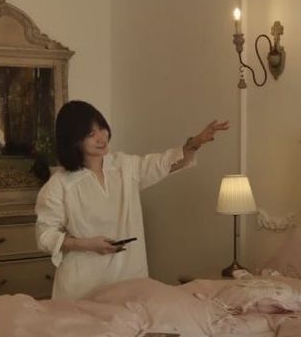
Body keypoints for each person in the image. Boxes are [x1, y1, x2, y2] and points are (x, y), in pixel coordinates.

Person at [35, 100, 229, 299]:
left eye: (101, 128)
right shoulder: (60, 184)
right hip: (82, 284)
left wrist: (195, 143)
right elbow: (44, 235)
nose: (101, 138)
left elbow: (164, 164)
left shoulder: (124, 166)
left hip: (128, 277)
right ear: (73, 140)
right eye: (90, 134)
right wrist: (85, 244)